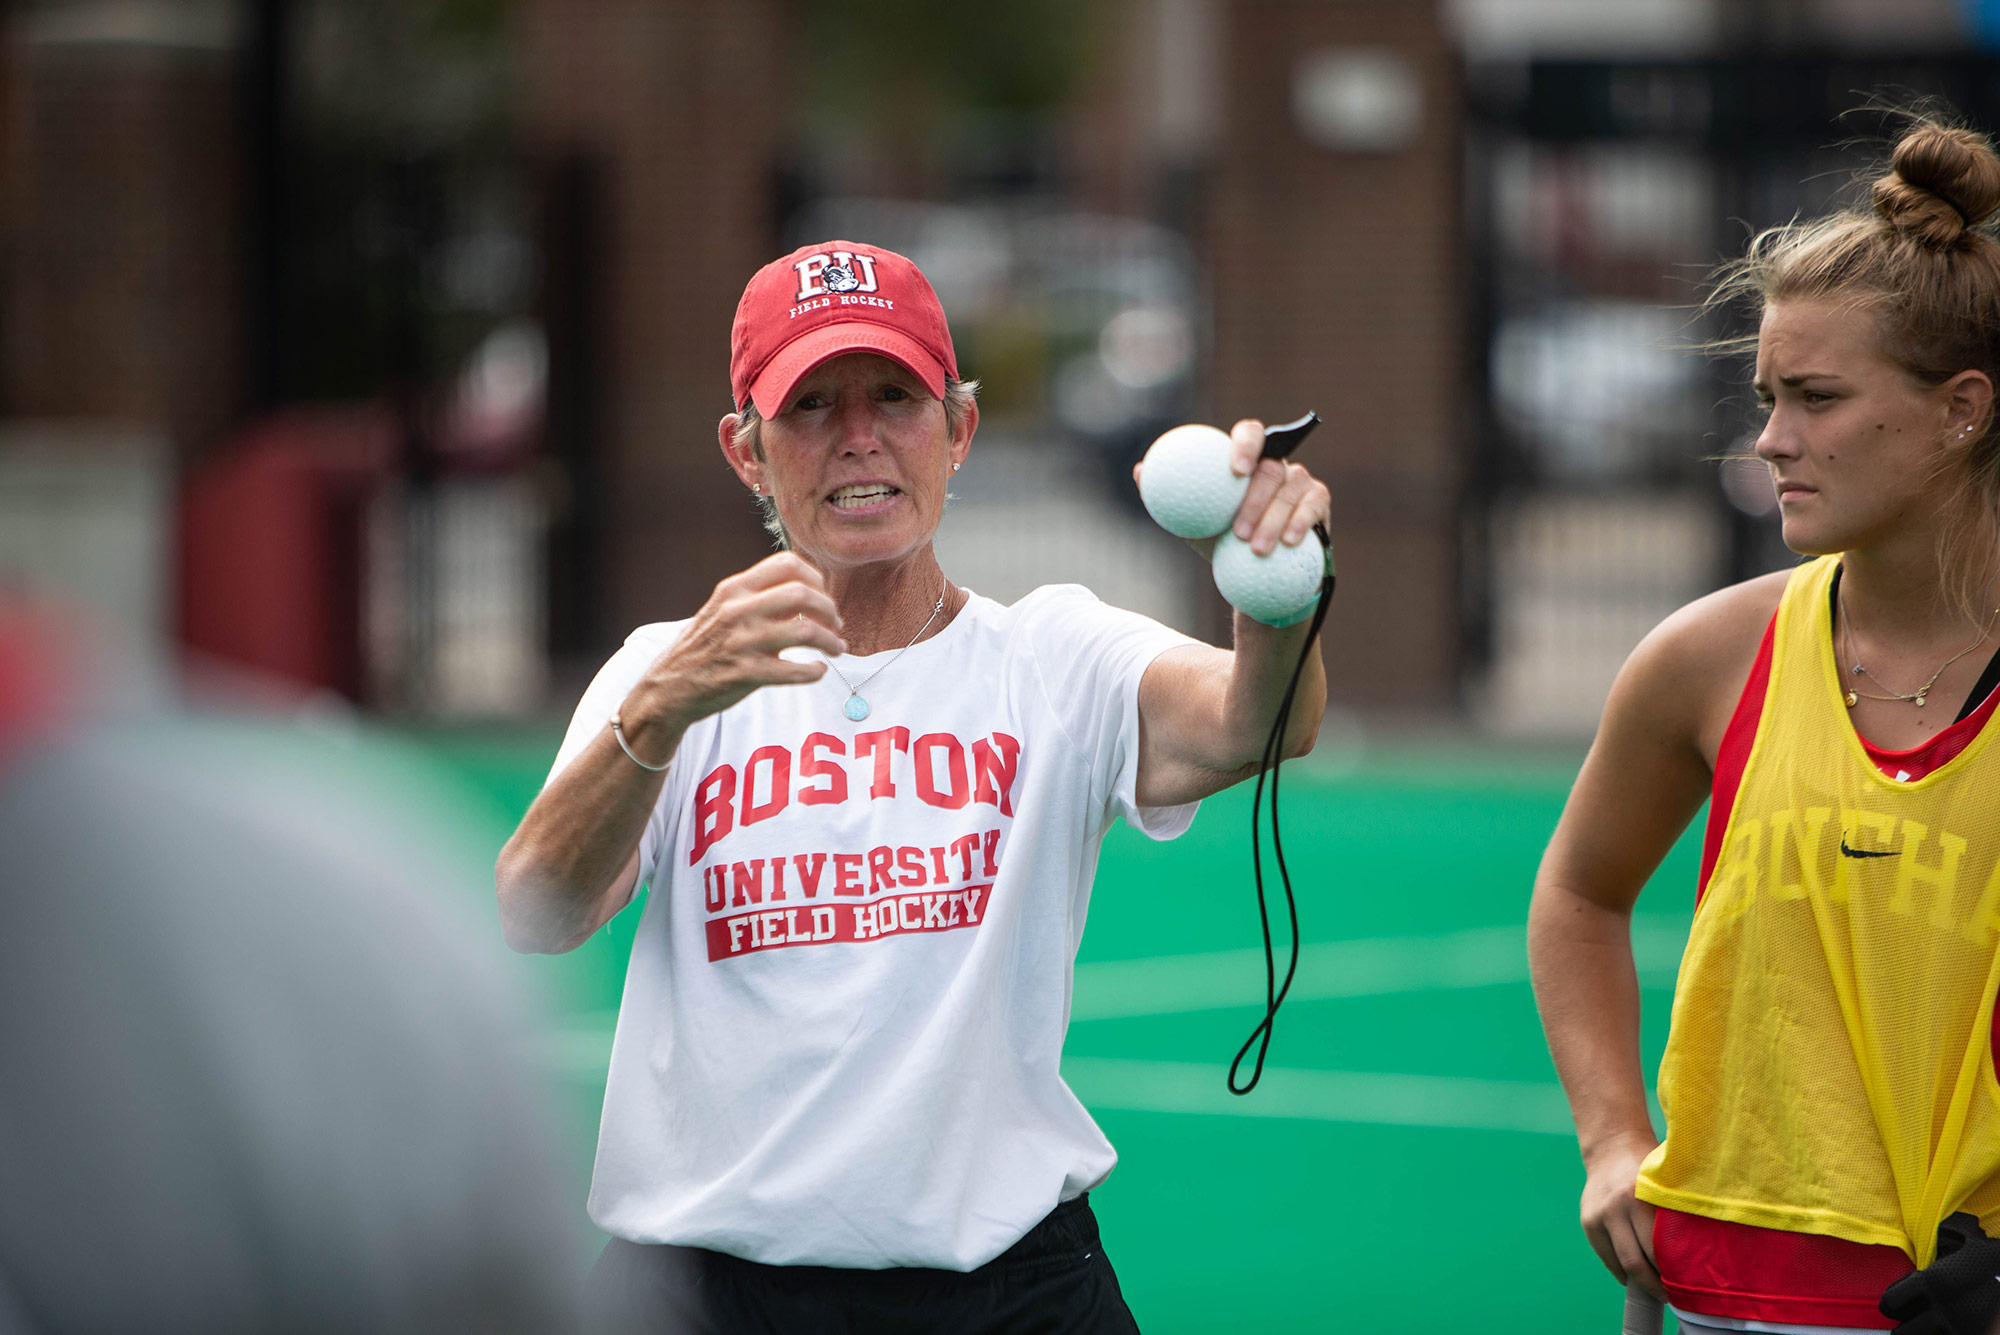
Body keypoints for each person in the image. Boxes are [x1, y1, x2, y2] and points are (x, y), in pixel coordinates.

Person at [494, 239, 1330, 1334]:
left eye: (894, 396)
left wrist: (1271, 584)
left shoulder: (1053, 654)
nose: (857, 439)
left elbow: (1259, 722)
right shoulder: (669, 668)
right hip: (698, 1296)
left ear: (959, 431)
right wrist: (655, 712)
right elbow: (536, 911)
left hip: (1006, 1296)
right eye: (808, 408)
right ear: (745, 452)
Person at [1530, 117, 2000, 1335]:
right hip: (1722, 1288)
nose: (1771, 439)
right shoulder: (1707, 655)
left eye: (1816, 399)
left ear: (1961, 409)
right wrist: (1610, 1139)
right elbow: (1577, 896)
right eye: (1765, 397)